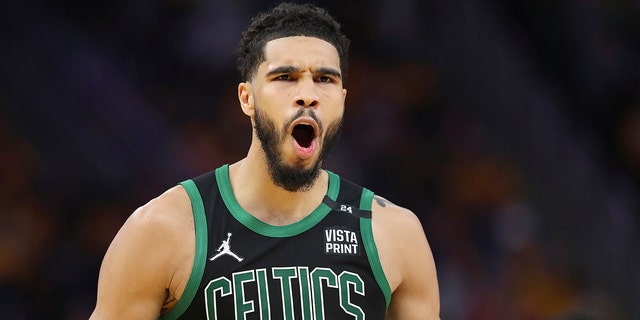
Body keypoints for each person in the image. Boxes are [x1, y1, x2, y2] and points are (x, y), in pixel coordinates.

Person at [90, 2, 440, 319]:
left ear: (343, 99)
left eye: (325, 79)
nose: (307, 95)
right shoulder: (164, 229)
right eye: (285, 77)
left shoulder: (393, 233)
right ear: (247, 98)